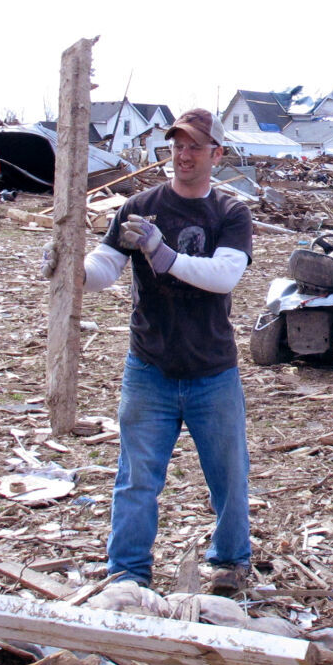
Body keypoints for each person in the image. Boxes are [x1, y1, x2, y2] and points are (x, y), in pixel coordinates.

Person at [81, 109, 255, 592]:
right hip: (149, 366)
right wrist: (73, 273)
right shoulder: (139, 206)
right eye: (178, 144)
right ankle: (128, 572)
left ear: (217, 155)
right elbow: (105, 266)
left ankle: (230, 563)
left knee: (229, 477)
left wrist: (166, 255)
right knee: (137, 478)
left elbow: (225, 275)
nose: (184, 154)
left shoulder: (230, 213)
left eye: (196, 146)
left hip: (212, 370)